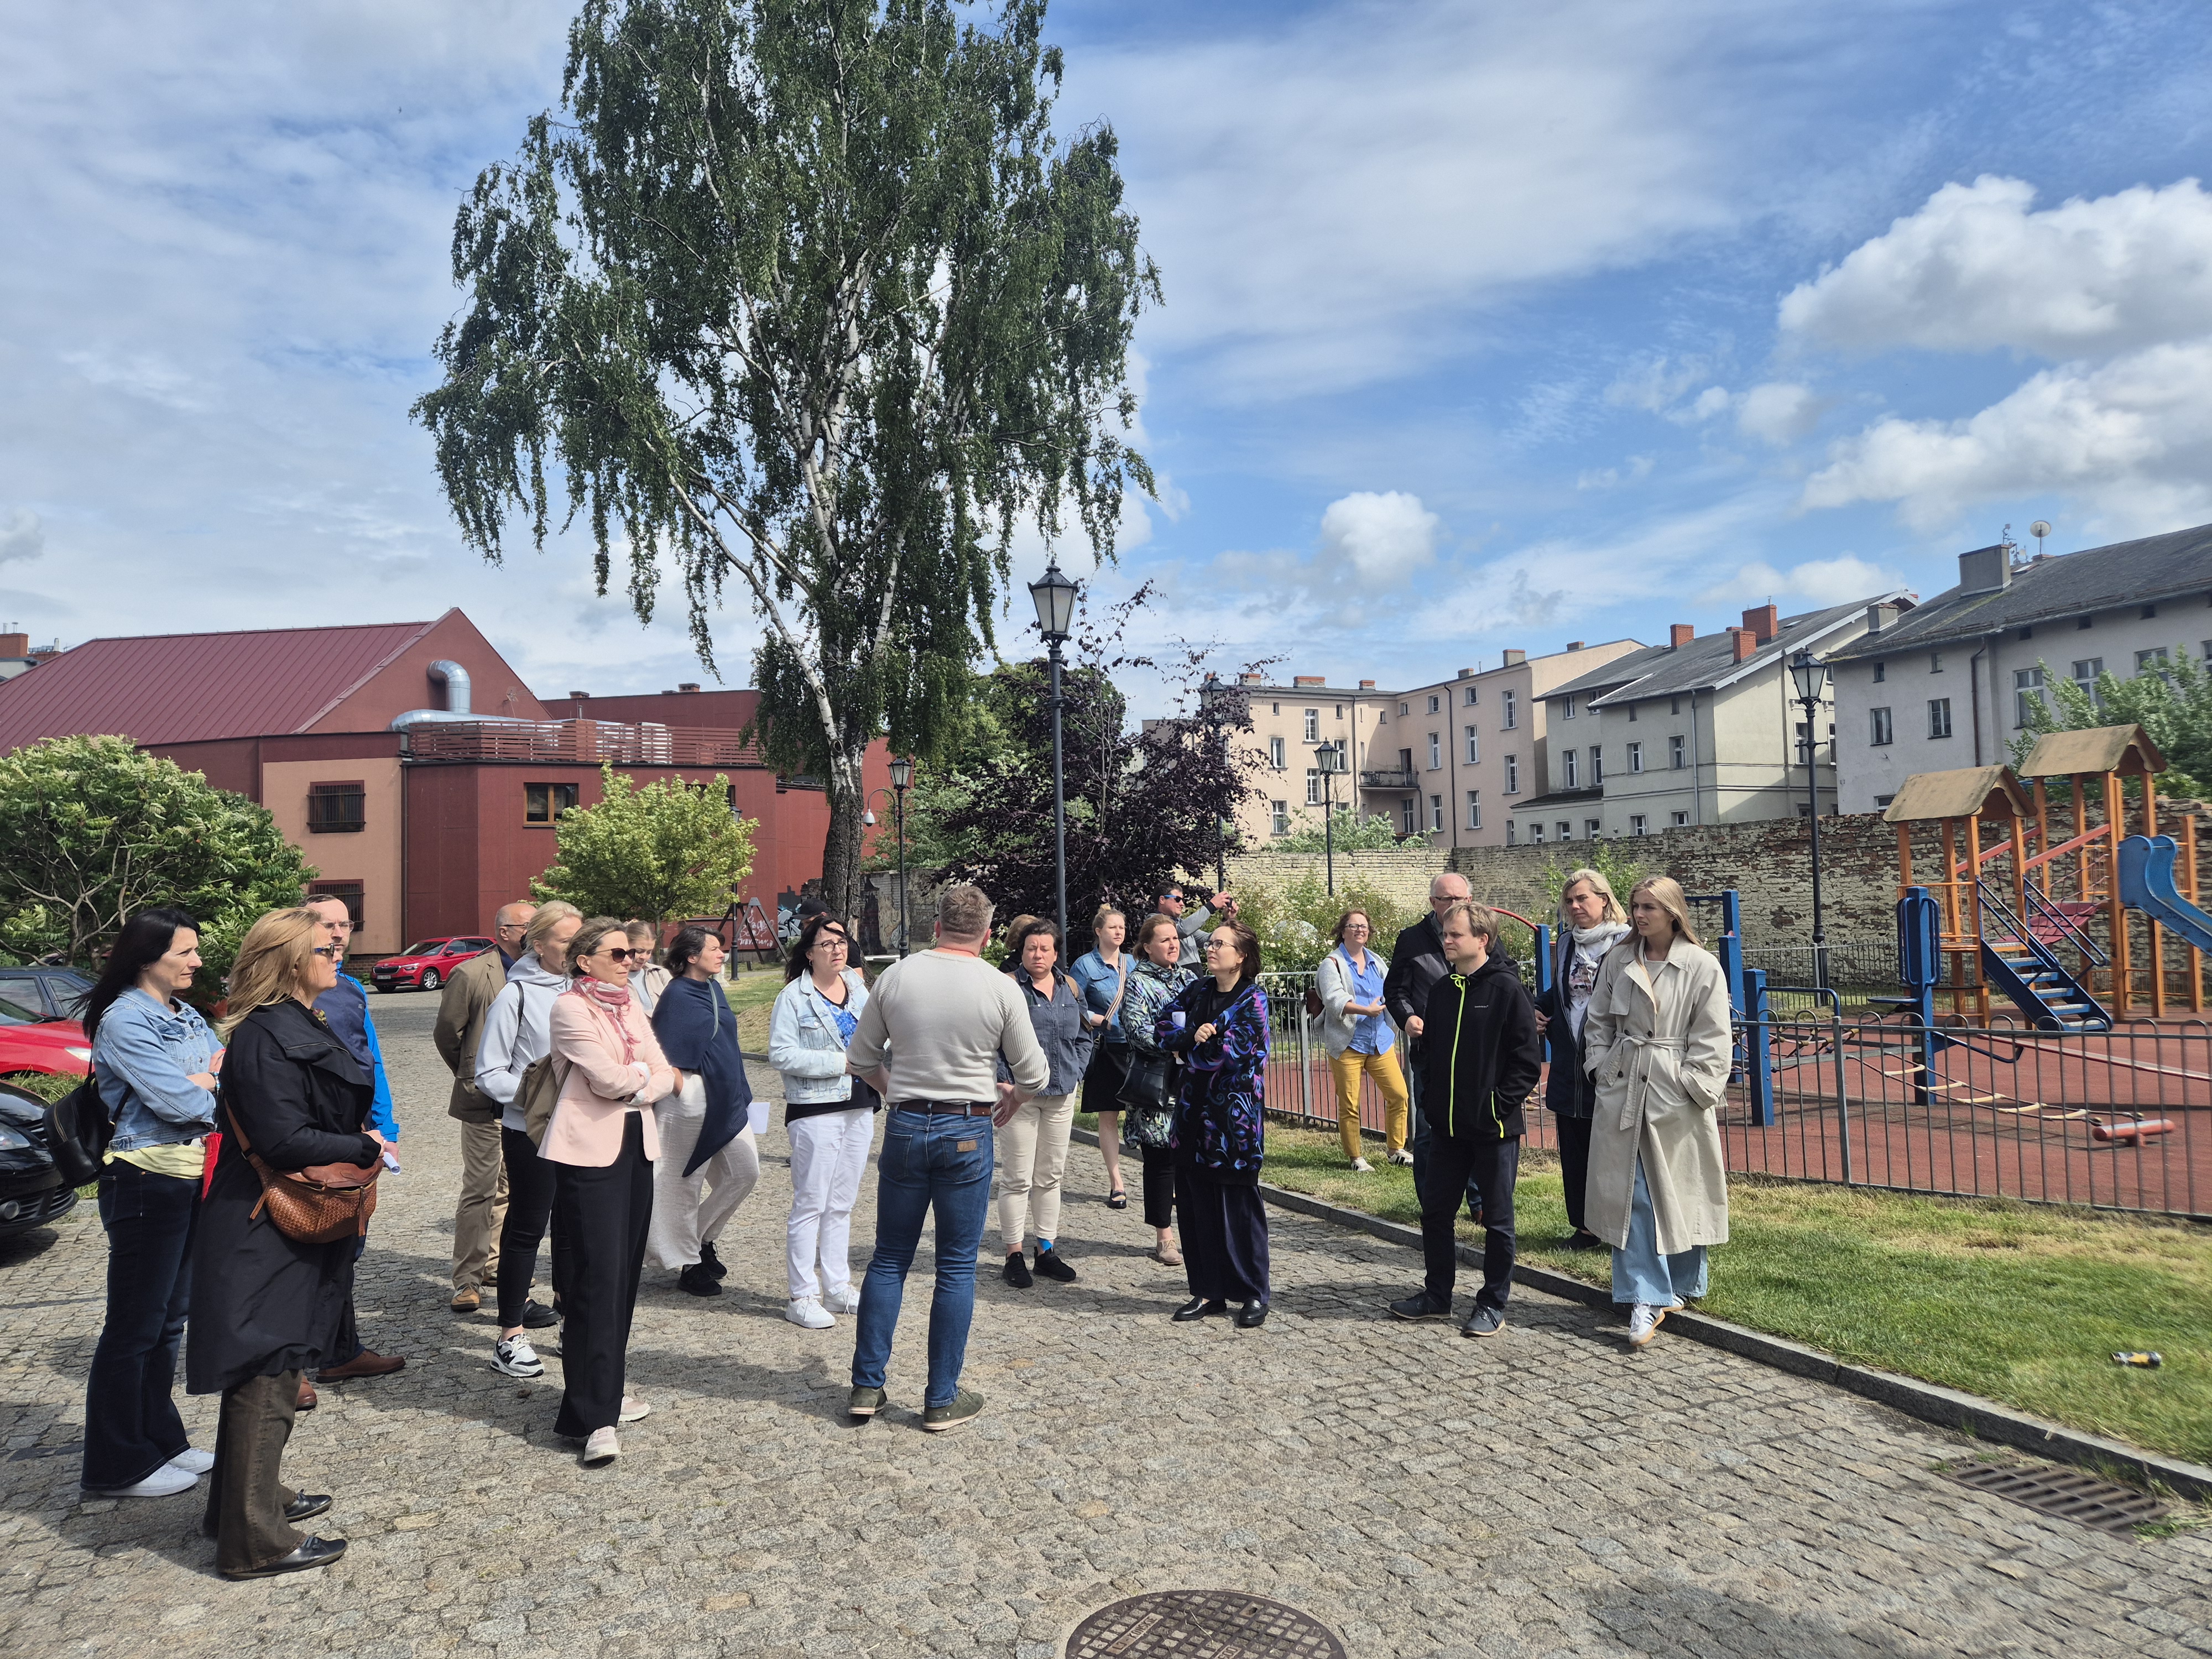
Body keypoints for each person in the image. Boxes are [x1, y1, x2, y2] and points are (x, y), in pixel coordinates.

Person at [189, 907, 383, 1578]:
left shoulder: (298, 1020)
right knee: (266, 1371)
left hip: (277, 1221)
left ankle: (243, 1507)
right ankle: (256, 1543)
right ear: (289, 961)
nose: (336, 951)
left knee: (271, 1362)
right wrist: (364, 1145)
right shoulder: (267, 1034)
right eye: (322, 947)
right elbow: (283, 1139)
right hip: (262, 1222)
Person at [843, 884, 1048, 1433]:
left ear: (936, 926)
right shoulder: (997, 986)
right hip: (967, 1124)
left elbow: (860, 1059)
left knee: (889, 1259)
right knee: (955, 1266)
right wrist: (1012, 1100)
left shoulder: (898, 976)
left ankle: (867, 1384)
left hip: (909, 1122)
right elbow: (1035, 1074)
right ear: (986, 933)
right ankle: (940, 1397)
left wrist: (896, 1090)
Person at [79, 907, 221, 1501]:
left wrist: (204, 1081)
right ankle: (116, 1463)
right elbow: (175, 1102)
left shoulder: (184, 1014)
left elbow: (222, 1073)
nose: (196, 962)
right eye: (184, 952)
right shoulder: (124, 1020)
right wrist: (205, 1081)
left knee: (169, 1323)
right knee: (133, 1327)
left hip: (189, 1176)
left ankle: (161, 1440)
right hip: (145, 1180)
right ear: (146, 957)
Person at [542, 917, 681, 1464]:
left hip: (634, 1146)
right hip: (587, 1151)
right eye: (618, 954)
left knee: (622, 1278)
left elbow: (665, 1073)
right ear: (585, 961)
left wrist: (642, 1078)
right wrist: (641, 1077)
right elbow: (607, 1080)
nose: (631, 962)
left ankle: (603, 1394)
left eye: (632, 954)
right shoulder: (570, 1008)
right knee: (596, 1278)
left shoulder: (629, 1005)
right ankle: (595, 1417)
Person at [1583, 875, 1732, 1350]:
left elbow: (1714, 1035)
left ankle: (1685, 1281)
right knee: (1635, 1193)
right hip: (1626, 1084)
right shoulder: (1619, 958)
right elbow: (1598, 1020)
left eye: (1650, 906)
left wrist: (1694, 1084)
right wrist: (1600, 1067)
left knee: (1682, 1186)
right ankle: (1644, 1295)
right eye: (1635, 906)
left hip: (1675, 1089)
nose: (1640, 914)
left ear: (1673, 911)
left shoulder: (1701, 965)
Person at [1387, 901, 1541, 1338]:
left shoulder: (1508, 990)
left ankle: (1493, 1303)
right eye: (1446, 934)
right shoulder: (1443, 990)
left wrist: (1495, 1106)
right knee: (1435, 1212)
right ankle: (1437, 1296)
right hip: (1447, 1129)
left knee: (1496, 1219)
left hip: (1492, 1131)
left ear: (1482, 941)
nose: (1446, 940)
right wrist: (1435, 1101)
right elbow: (1428, 1053)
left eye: (1455, 935)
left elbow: (1526, 1063)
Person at [475, 902, 582, 1381]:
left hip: (584, 1131)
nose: (576, 948)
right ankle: (510, 1336)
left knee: (573, 1228)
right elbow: (487, 1072)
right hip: (532, 1132)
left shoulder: (587, 990)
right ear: (538, 944)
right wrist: (534, 1095)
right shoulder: (515, 995)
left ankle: (568, 1320)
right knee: (526, 1228)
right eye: (565, 940)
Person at [303, 896, 405, 1386]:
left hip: (359, 1134)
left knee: (347, 1245)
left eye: (345, 924)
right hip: (312, 1135)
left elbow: (372, 1062)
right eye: (328, 925)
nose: (339, 934)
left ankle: (341, 1351)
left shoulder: (350, 987)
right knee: (309, 1247)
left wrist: (387, 1129)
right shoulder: (287, 991)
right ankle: (284, 1365)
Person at [1156, 919, 1271, 1328]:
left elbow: (1233, 1056)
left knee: (1239, 1210)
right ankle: (1208, 1292)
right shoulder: (1198, 990)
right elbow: (1164, 1028)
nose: (1211, 949)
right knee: (1194, 1207)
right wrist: (1190, 1037)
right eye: (1211, 943)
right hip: (1192, 1117)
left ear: (1240, 956)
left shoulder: (1253, 1000)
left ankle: (1253, 1293)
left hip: (1234, 1126)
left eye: (1220, 944)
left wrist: (1193, 1047)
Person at [768, 914, 874, 1329]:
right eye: (827, 944)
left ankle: (837, 1286)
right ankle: (802, 1294)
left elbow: (877, 1035)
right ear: (809, 953)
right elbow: (781, 1054)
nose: (837, 949)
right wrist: (840, 1063)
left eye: (842, 941)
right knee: (811, 1202)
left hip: (860, 1102)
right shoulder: (794, 998)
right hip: (815, 1108)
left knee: (842, 1202)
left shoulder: (858, 986)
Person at [647, 926, 758, 1298]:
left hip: (724, 1096)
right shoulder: (677, 993)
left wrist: (739, 1088)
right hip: (689, 1098)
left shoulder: (713, 987)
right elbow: (662, 1049)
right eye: (714, 948)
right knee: (681, 1182)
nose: (722, 954)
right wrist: (684, 1088)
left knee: (744, 1172)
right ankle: (688, 1264)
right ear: (692, 956)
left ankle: (699, 1241)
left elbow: (726, 1042)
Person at [433, 900, 533, 1313]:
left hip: (526, 1104)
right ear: (504, 931)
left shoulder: (545, 976)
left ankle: (494, 1263)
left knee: (512, 1188)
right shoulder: (471, 973)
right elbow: (447, 1033)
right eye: (528, 926)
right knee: (482, 1187)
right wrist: (473, 1073)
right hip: (483, 1102)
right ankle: (467, 1280)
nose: (535, 932)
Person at [1532, 870, 1630, 1250]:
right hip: (1568, 1067)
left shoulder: (1625, 943)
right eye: (1570, 901)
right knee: (1574, 1154)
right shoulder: (1569, 943)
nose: (1575, 907)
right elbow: (1561, 993)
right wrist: (1535, 1010)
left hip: (1609, 1065)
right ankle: (1585, 1228)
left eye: (1583, 899)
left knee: (1609, 1153)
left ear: (1604, 899)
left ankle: (1615, 1227)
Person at [995, 917, 1094, 1287]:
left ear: (1056, 952)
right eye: (1031, 948)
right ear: (1021, 950)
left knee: (1050, 1176)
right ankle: (1013, 1254)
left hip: (1060, 1094)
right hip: (1019, 1098)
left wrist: (1077, 1070)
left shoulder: (1069, 986)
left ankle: (1046, 1250)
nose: (1038, 954)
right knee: (1017, 1177)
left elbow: (1085, 1034)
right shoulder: (1008, 987)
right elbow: (991, 1042)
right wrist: (1004, 1083)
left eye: (1045, 948)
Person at [1384, 872, 1485, 1223]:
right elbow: (1395, 991)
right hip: (1431, 1051)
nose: (1455, 905)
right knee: (1428, 1129)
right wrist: (1407, 1017)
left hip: (1474, 1052)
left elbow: (1504, 973)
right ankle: (1433, 1204)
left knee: (1473, 1127)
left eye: (1461, 899)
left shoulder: (1482, 934)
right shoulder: (1411, 939)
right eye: (1446, 900)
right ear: (1433, 904)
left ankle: (1479, 1203)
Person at [1118, 914, 1192, 1266]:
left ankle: (1194, 1229)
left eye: (1175, 938)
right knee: (1161, 1162)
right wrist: (1176, 1044)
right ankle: (1164, 1237)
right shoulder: (1138, 982)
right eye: (1164, 940)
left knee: (1189, 1162)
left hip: (1191, 1082)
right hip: (1157, 1084)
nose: (1173, 944)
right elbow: (1135, 1029)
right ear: (1147, 947)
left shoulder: (1191, 978)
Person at [1316, 909, 1412, 1172]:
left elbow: (1392, 991)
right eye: (1354, 926)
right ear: (1342, 930)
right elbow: (1334, 999)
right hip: (1348, 1043)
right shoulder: (1332, 964)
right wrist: (1364, 1010)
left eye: (1364, 926)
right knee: (1350, 1104)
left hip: (1380, 1041)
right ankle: (1356, 1158)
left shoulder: (1377, 961)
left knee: (1399, 1095)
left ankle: (1396, 1150)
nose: (1360, 930)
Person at [1068, 906, 1133, 1207]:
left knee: (1147, 1112)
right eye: (1112, 928)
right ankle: (1116, 1181)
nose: (1119, 932)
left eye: (1122, 928)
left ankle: (1161, 1178)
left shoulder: (1132, 962)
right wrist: (1101, 1021)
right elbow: (1075, 1004)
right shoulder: (1085, 966)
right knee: (1109, 1116)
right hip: (1107, 1047)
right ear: (1099, 932)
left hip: (1137, 1047)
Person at [1155, 884, 1229, 970]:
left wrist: (1227, 920)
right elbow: (1183, 930)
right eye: (1178, 899)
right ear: (1162, 900)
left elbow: (1208, 939)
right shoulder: (1154, 922)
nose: (1182, 904)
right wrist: (1211, 906)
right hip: (1177, 977)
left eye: (1182, 900)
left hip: (1194, 976)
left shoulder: (1182, 923)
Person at [625, 920, 671, 1015]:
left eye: (649, 952)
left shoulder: (660, 974)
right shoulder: (613, 978)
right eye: (639, 951)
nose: (644, 957)